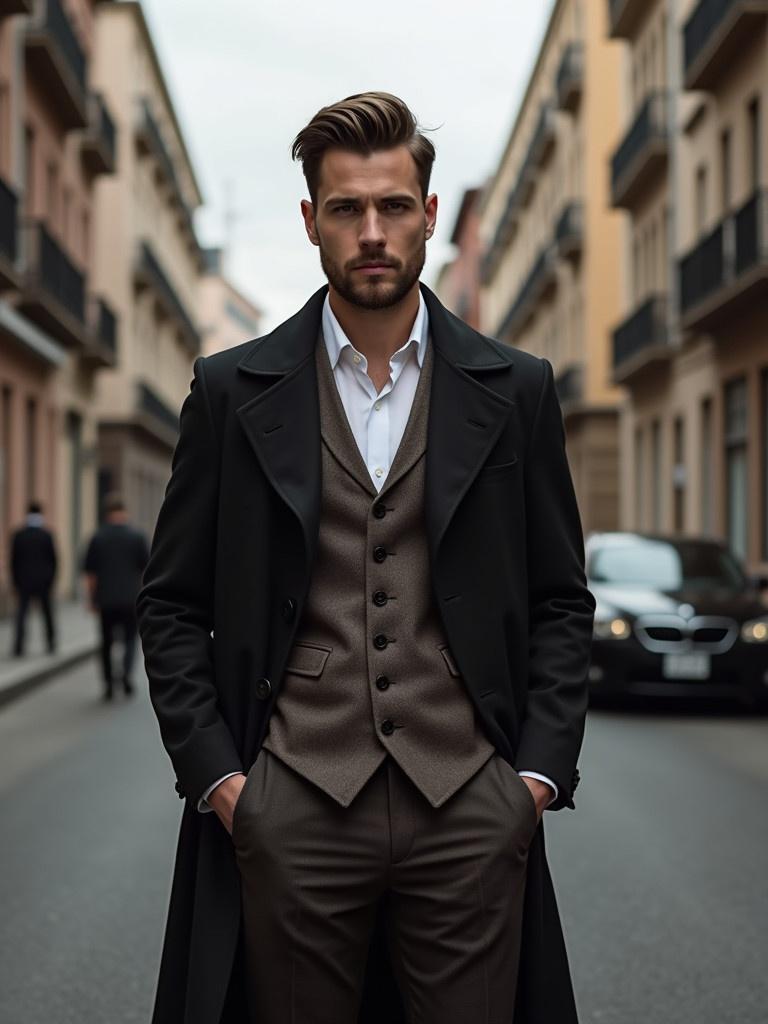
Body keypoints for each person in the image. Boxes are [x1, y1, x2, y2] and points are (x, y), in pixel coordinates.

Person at [137, 92, 596, 1024]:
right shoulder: (232, 391)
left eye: (394, 206)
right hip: (293, 801)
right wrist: (225, 784)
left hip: (468, 801)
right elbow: (173, 604)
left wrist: (535, 779)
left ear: (430, 216)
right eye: (347, 209)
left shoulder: (517, 390)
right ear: (312, 221)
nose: (373, 232)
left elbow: (560, 599)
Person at [83, 492, 149, 700]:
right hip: (131, 598)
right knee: (130, 639)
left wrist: (91, 598)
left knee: (106, 642)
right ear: (124, 512)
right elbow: (147, 570)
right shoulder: (137, 536)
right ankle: (127, 675)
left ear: (107, 513)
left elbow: (91, 574)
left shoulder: (98, 537)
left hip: (106, 598)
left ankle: (109, 683)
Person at [10, 500, 57, 657]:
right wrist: (51, 580)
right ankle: (51, 643)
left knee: (22, 615)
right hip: (43, 581)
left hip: (24, 581)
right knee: (47, 614)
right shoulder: (46, 535)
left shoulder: (19, 535)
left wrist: (15, 582)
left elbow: (13, 561)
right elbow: (54, 560)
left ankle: (18, 646)